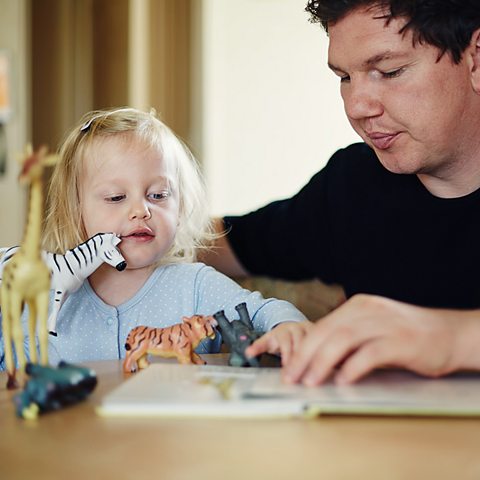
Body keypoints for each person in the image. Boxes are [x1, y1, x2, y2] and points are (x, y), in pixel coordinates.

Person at [202, 0, 480, 385]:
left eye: (389, 71)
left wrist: (447, 337)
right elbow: (224, 243)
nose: (357, 106)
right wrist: (121, 229)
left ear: (475, 59)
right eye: (345, 78)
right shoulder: (353, 183)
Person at [0, 107, 309, 370]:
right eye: (116, 197)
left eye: (158, 195)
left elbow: (260, 311)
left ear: (180, 207)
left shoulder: (196, 286)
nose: (140, 210)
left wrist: (287, 328)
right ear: (75, 210)